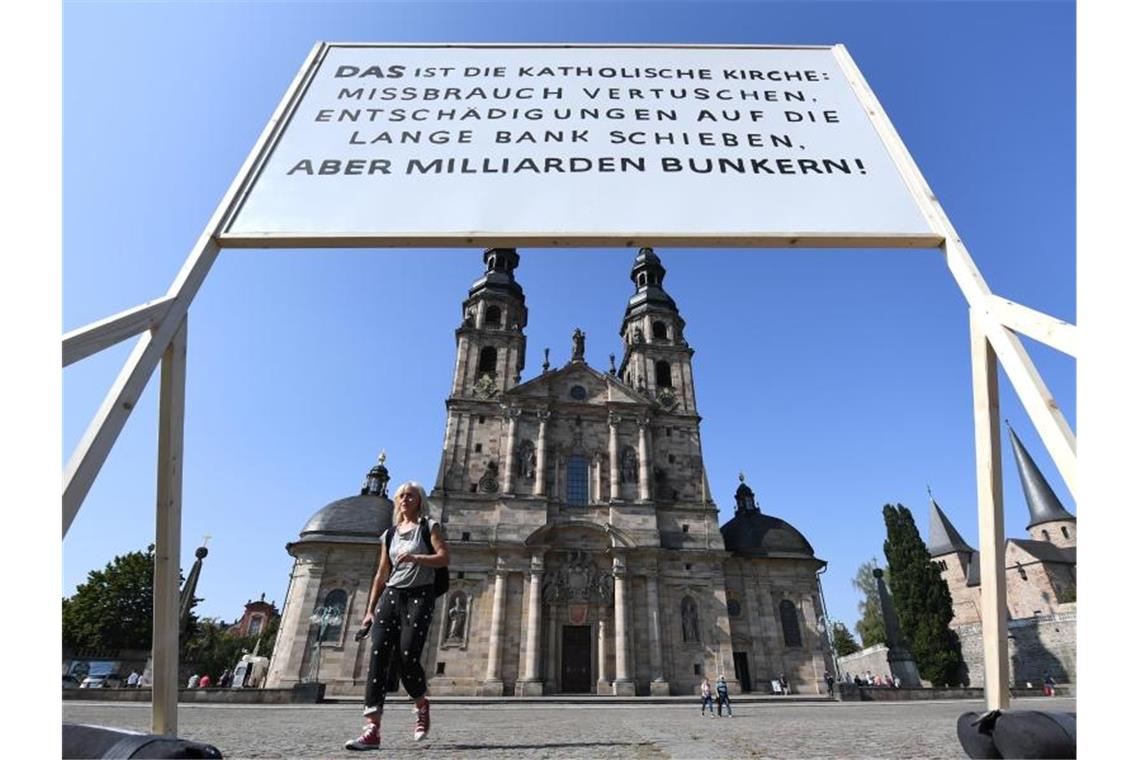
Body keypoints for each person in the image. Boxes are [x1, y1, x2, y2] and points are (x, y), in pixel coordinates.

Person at [345, 481, 449, 751]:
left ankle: (421, 704)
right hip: (392, 594)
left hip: (420, 595)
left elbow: (443, 558)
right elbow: (382, 572)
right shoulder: (389, 534)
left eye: (410, 495)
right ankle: (371, 729)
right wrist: (369, 610)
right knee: (378, 655)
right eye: (401, 495)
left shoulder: (429, 526)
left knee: (407, 655)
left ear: (419, 500)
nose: (405, 499)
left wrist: (417, 558)